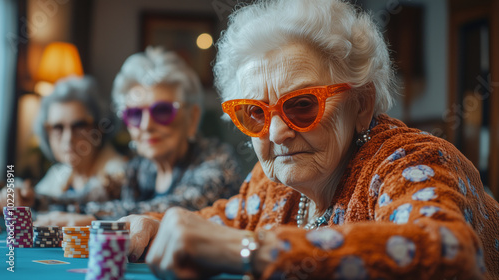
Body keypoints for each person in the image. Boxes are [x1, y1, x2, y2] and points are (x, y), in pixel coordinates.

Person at [119, 0, 499, 279]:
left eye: (301, 105)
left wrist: (248, 251)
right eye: (255, 113)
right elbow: (213, 223)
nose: (276, 132)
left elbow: (449, 251)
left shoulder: (412, 161)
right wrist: (154, 224)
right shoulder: (273, 186)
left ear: (362, 104)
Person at [83, 47, 243, 220]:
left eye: (162, 111)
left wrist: (88, 216)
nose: (146, 125)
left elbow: (176, 211)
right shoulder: (140, 168)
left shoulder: (218, 161)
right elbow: (82, 197)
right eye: (135, 114)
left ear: (192, 118)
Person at [0, 76, 127, 226]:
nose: (68, 138)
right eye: (57, 128)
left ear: (98, 128)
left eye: (79, 126)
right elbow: (33, 201)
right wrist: (15, 196)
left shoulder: (121, 173)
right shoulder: (60, 173)